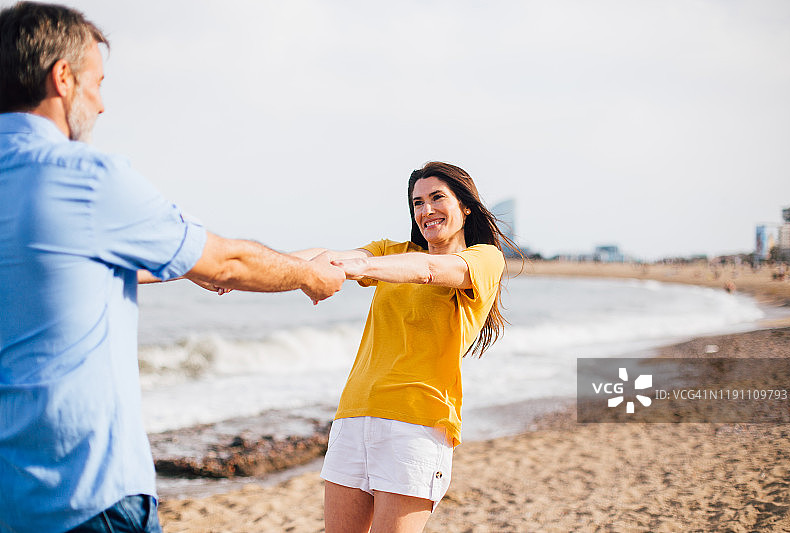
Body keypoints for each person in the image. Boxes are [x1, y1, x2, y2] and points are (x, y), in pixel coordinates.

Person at [0, 3, 344, 533]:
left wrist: (184, 267)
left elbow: (68, 269)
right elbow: (226, 261)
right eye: (98, 83)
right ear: (62, 78)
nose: (101, 104)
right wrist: (309, 276)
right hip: (85, 495)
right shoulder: (85, 178)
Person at [293, 161, 516, 532]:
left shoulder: (484, 259)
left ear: (465, 206)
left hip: (417, 425)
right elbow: (330, 255)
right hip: (353, 415)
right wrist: (243, 271)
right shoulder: (391, 251)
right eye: (417, 202)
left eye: (437, 198)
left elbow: (427, 270)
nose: (426, 210)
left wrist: (352, 269)